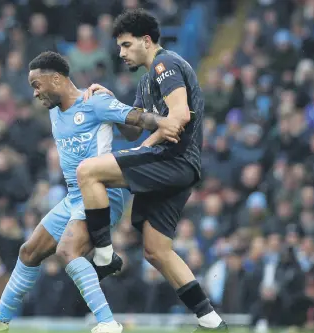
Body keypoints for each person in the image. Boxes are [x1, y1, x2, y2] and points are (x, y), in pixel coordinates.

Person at [0, 51, 157, 333]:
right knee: (29, 252)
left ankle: (108, 323)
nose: (35, 93)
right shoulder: (54, 109)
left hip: (101, 193)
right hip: (74, 196)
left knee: (68, 250)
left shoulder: (94, 101)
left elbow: (136, 128)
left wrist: (167, 121)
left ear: (56, 79)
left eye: (37, 85)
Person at [79, 9, 228, 331]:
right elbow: (134, 130)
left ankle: (104, 255)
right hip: (178, 167)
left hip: (173, 160)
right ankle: (212, 321)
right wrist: (112, 105)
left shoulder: (166, 65)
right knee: (157, 251)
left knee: (87, 171)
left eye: (127, 45)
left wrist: (146, 146)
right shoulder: (147, 82)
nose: (121, 53)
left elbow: (179, 117)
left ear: (146, 41)